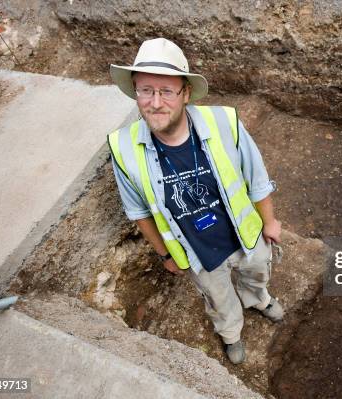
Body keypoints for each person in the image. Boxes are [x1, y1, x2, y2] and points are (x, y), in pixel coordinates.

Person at [107, 38, 283, 365]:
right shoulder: (123, 148)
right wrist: (164, 255)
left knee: (257, 271)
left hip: (244, 234)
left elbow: (256, 175)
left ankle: (257, 299)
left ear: (186, 93)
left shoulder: (224, 123)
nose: (155, 102)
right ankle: (231, 333)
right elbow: (139, 211)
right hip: (196, 249)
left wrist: (269, 221)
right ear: (135, 91)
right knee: (217, 298)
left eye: (166, 91)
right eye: (146, 90)